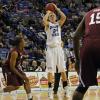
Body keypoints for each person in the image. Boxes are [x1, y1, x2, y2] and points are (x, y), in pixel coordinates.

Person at [72, 7, 100, 100]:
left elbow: (76, 36)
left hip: (88, 48)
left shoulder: (88, 13)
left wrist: (77, 60)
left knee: (82, 87)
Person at [43, 3, 68, 99]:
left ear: (55, 17)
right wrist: (48, 12)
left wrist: (57, 9)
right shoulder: (47, 25)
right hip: (50, 49)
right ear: (49, 18)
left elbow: (64, 17)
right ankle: (50, 90)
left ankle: (66, 89)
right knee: (50, 70)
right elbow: (44, 20)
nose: (52, 16)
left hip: (58, 49)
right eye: (51, 16)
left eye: (53, 15)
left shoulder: (58, 24)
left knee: (62, 69)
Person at [0, 36, 33, 100]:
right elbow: (12, 67)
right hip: (9, 68)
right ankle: (1, 91)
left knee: (26, 80)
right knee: (16, 87)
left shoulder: (22, 49)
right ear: (20, 43)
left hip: (16, 67)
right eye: (23, 41)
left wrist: (24, 57)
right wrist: (20, 75)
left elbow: (22, 56)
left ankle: (30, 98)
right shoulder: (14, 52)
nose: (25, 42)